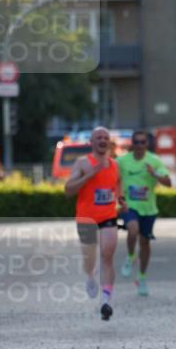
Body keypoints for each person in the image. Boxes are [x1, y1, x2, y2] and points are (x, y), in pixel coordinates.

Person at [65, 126, 125, 321]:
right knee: (89, 259)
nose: (102, 139)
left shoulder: (115, 165)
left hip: (108, 216)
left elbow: (118, 186)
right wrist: (89, 175)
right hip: (86, 218)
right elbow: (68, 190)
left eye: (105, 137)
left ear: (109, 143)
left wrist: (121, 200)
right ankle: (90, 276)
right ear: (91, 142)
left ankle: (106, 301)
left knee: (107, 255)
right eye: (98, 137)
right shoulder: (82, 163)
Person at [117, 130, 171, 296]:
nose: (140, 145)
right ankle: (131, 256)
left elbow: (168, 183)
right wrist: (118, 197)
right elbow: (114, 179)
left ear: (147, 144)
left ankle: (141, 277)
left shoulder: (154, 161)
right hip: (129, 206)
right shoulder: (122, 161)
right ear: (132, 144)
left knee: (145, 242)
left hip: (148, 208)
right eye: (137, 142)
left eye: (143, 142)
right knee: (132, 229)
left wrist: (154, 174)